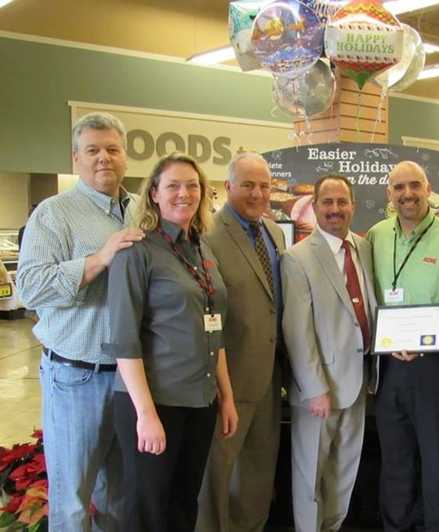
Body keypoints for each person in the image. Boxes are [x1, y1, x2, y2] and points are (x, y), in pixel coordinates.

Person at [16, 112, 142, 531]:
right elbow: (31, 288)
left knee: (120, 499)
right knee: (72, 502)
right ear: (76, 159)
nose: (103, 158)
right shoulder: (55, 215)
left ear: (125, 156)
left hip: (130, 380)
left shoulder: (141, 212)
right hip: (76, 378)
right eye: (92, 150)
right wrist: (98, 260)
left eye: (112, 149)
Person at [102, 153, 238, 532]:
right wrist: (146, 415)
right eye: (173, 186)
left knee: (183, 504)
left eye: (192, 185)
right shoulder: (137, 251)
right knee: (148, 511)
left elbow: (216, 330)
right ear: (155, 195)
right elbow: (125, 341)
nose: (184, 193)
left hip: (200, 401)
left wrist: (225, 397)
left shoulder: (202, 249)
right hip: (155, 404)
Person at [366, 161, 439, 532]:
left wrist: (423, 338)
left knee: (436, 460)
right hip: (388, 367)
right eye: (399, 187)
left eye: (415, 185)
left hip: (435, 364)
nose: (407, 194)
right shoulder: (377, 236)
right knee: (396, 460)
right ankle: (396, 527)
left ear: (428, 189)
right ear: (389, 194)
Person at [282, 175, 378, 532]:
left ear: (353, 205)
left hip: (360, 382)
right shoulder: (297, 258)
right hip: (320, 390)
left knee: (344, 470)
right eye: (328, 202)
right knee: (311, 477)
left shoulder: (365, 248)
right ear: (315, 206)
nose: (335, 209)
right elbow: (296, 328)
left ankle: (332, 527)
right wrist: (314, 387)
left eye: (342, 202)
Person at [197, 151, 286, 532]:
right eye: (248, 185)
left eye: (264, 186)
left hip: (271, 376)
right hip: (228, 379)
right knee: (218, 475)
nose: (257, 193)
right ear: (228, 186)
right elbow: (205, 315)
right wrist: (219, 383)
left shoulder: (275, 232)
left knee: (257, 471)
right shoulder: (207, 236)